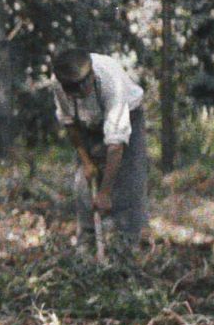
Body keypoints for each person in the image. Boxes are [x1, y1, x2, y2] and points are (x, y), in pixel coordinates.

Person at [51, 48, 150, 261]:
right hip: (88, 124)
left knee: (127, 183)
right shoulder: (59, 84)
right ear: (69, 89)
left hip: (127, 118)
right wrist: (87, 162)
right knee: (83, 186)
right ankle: (87, 246)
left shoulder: (111, 81)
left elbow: (115, 146)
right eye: (80, 87)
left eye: (89, 82)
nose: (87, 87)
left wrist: (105, 192)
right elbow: (70, 124)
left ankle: (125, 248)